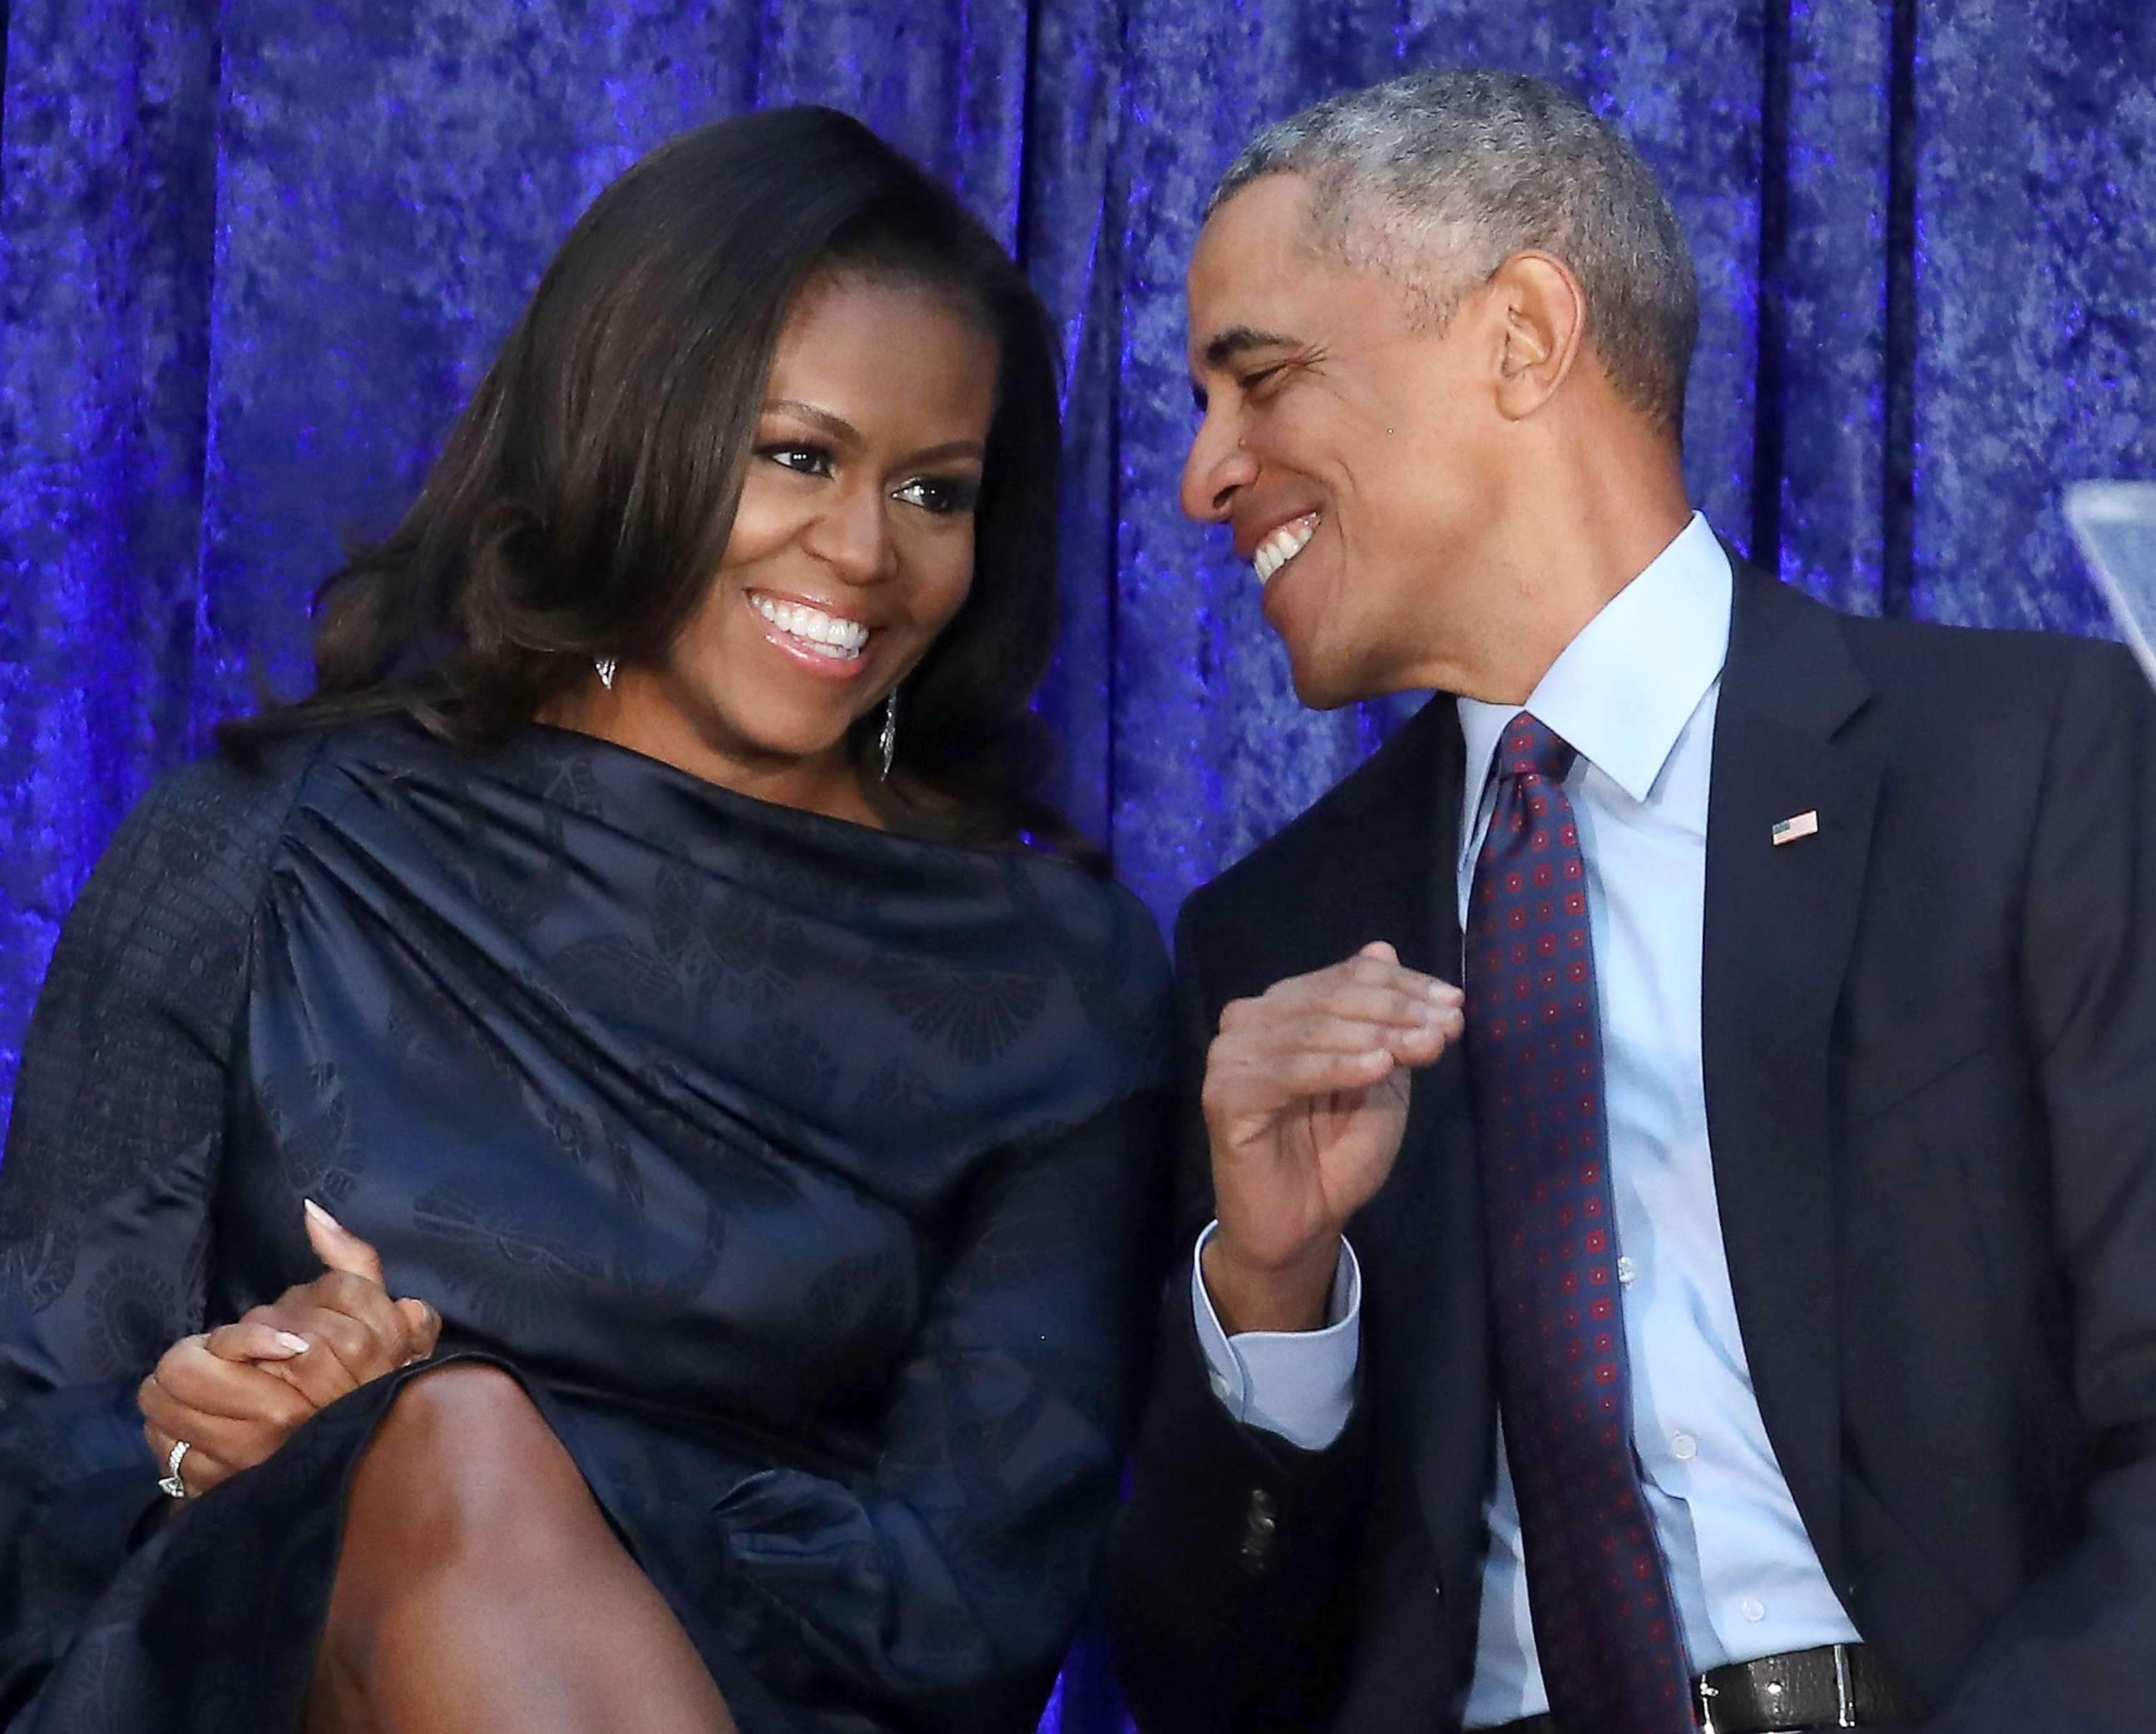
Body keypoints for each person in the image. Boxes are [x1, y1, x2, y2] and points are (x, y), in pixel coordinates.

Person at [0, 105, 1173, 1734]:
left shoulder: (1061, 983)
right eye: (798, 453)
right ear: (632, 424)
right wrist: (237, 1432)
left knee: (456, 1436)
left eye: (936, 488)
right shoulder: (262, 846)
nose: (860, 550)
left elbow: (974, 1607)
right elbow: (48, 1464)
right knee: (451, 1452)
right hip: (245, 1691)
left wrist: (430, 1419)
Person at [1105, 68, 2156, 1734]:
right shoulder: (1274, 943)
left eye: (1262, 380)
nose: (1201, 475)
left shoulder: (2024, 768)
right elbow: (1207, 1679)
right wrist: (1274, 1293)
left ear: (1522, 334)